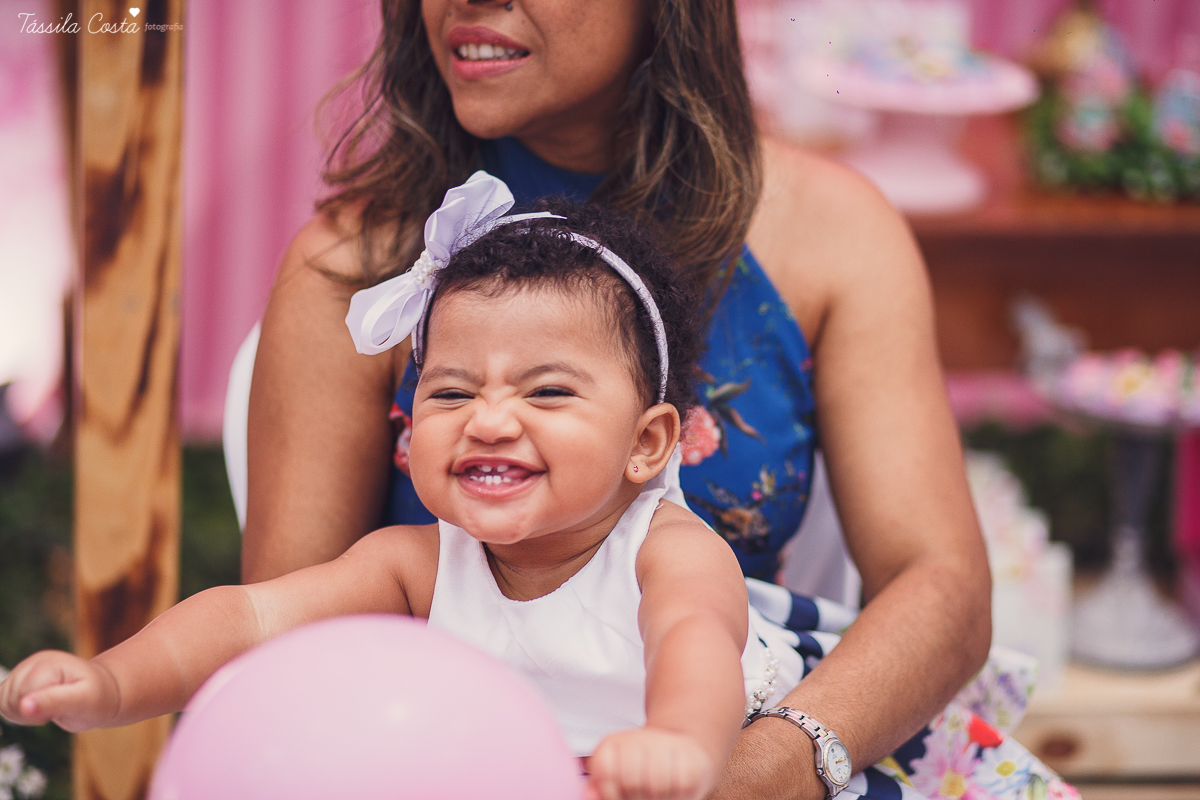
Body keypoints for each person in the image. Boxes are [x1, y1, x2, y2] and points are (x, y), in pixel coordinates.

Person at [245, 1, 993, 797]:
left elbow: (940, 584)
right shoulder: (354, 267)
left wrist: (760, 771)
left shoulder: (833, 233)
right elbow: (285, 656)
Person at [2, 183, 827, 800]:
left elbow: (694, 648)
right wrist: (113, 683)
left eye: (545, 394)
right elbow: (252, 619)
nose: (490, 421)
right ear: (409, 429)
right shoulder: (416, 564)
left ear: (647, 443)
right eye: (452, 394)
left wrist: (679, 743)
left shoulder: (670, 555)